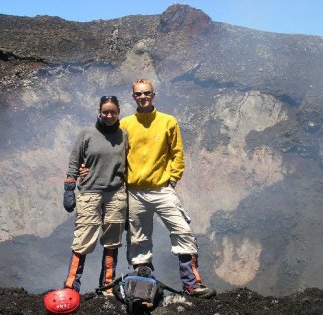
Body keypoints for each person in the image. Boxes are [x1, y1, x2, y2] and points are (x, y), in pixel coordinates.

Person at [88, 79, 216, 298]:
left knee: (182, 231)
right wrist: (85, 168)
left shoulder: (168, 122)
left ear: (153, 95)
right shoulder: (126, 124)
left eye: (146, 93)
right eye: (138, 94)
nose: (143, 97)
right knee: (138, 239)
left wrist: (173, 178)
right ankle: (142, 284)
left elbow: (177, 153)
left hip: (162, 189)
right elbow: (108, 149)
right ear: (133, 97)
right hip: (134, 191)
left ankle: (192, 284)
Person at [62, 95, 128, 295]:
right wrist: (69, 187)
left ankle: (106, 286)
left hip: (116, 194)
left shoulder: (124, 135)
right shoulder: (87, 134)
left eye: (113, 112)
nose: (109, 115)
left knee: (112, 241)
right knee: (83, 240)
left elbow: (129, 163)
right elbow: (75, 161)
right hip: (90, 193)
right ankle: (72, 286)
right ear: (99, 112)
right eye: (105, 112)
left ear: (118, 113)